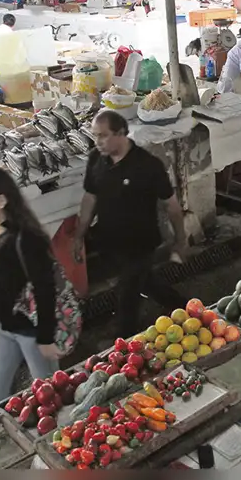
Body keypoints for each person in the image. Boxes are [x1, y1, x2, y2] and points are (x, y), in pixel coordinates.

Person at [73, 110, 188, 336]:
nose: (98, 142)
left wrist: (180, 240)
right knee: (146, 283)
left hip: (140, 244)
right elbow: (90, 197)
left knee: (127, 296)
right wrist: (79, 235)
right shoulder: (96, 159)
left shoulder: (148, 166)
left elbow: (171, 205)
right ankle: (186, 307)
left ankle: (125, 346)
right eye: (95, 136)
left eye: (103, 136)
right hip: (110, 241)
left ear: (122, 133)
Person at [0, 168, 62, 410]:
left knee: (52, 398)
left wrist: (46, 337)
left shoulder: (27, 238)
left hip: (33, 333)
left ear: (1, 200)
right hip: (5, 330)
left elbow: (45, 289)